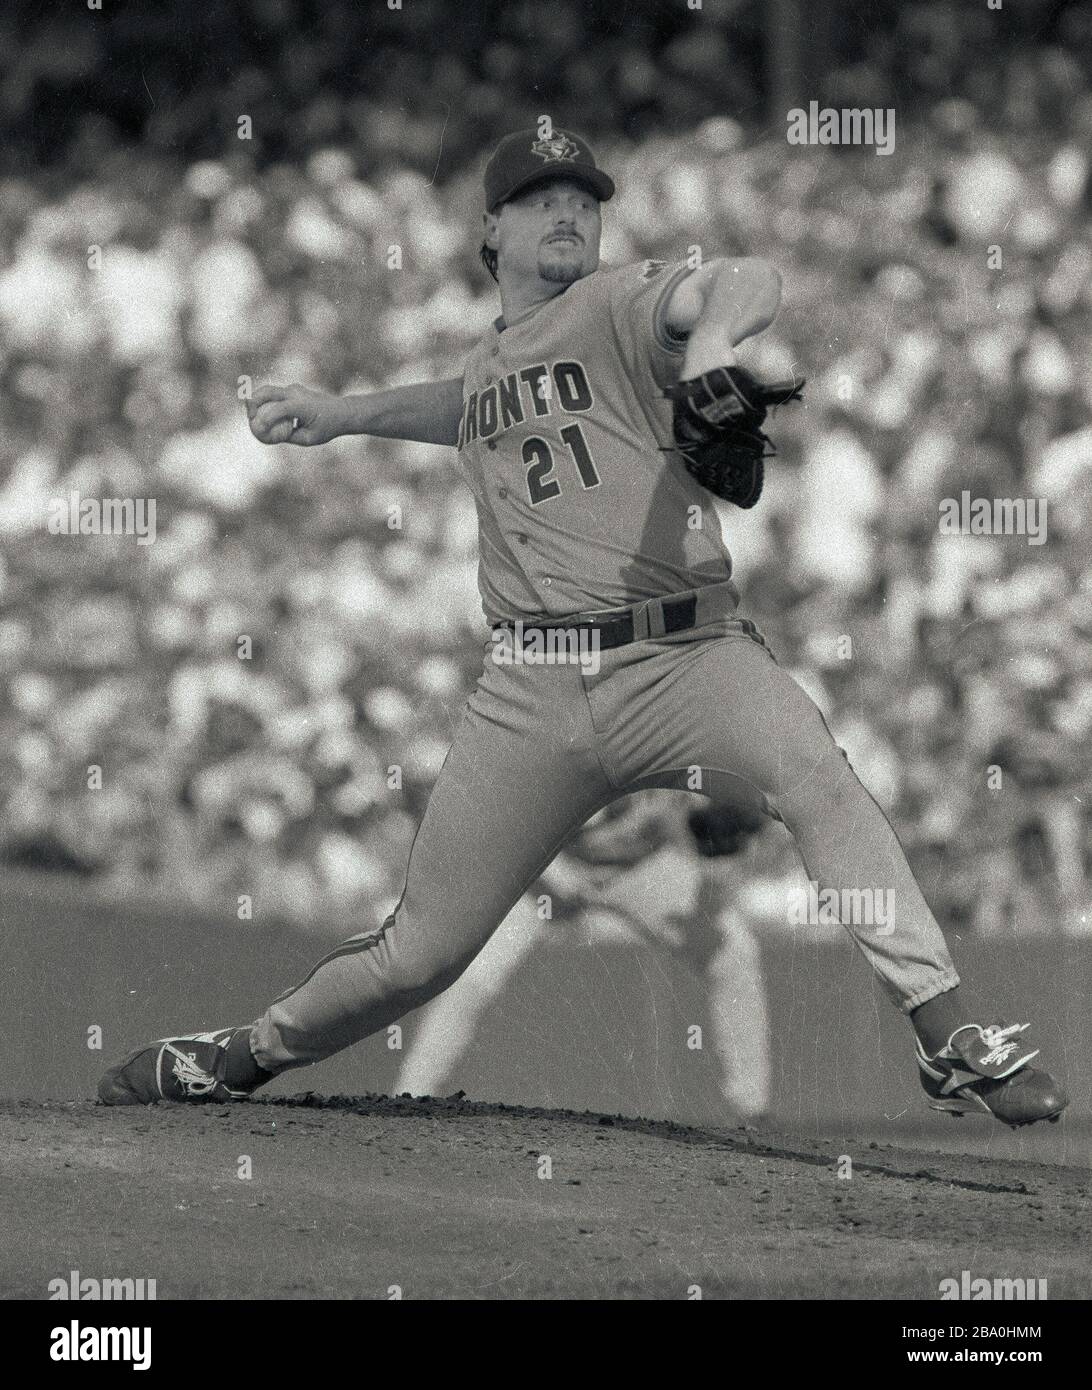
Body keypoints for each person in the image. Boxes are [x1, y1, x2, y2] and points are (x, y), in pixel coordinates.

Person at [100, 128, 1066, 1128]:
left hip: (687, 655)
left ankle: (947, 1028)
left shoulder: (616, 306)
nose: (568, 211)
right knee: (420, 953)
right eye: (539, 196)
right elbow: (466, 401)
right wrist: (344, 413)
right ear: (492, 230)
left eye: (584, 198)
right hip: (533, 687)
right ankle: (238, 1056)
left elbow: (747, 276)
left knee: (815, 771)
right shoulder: (490, 362)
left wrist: (711, 349)